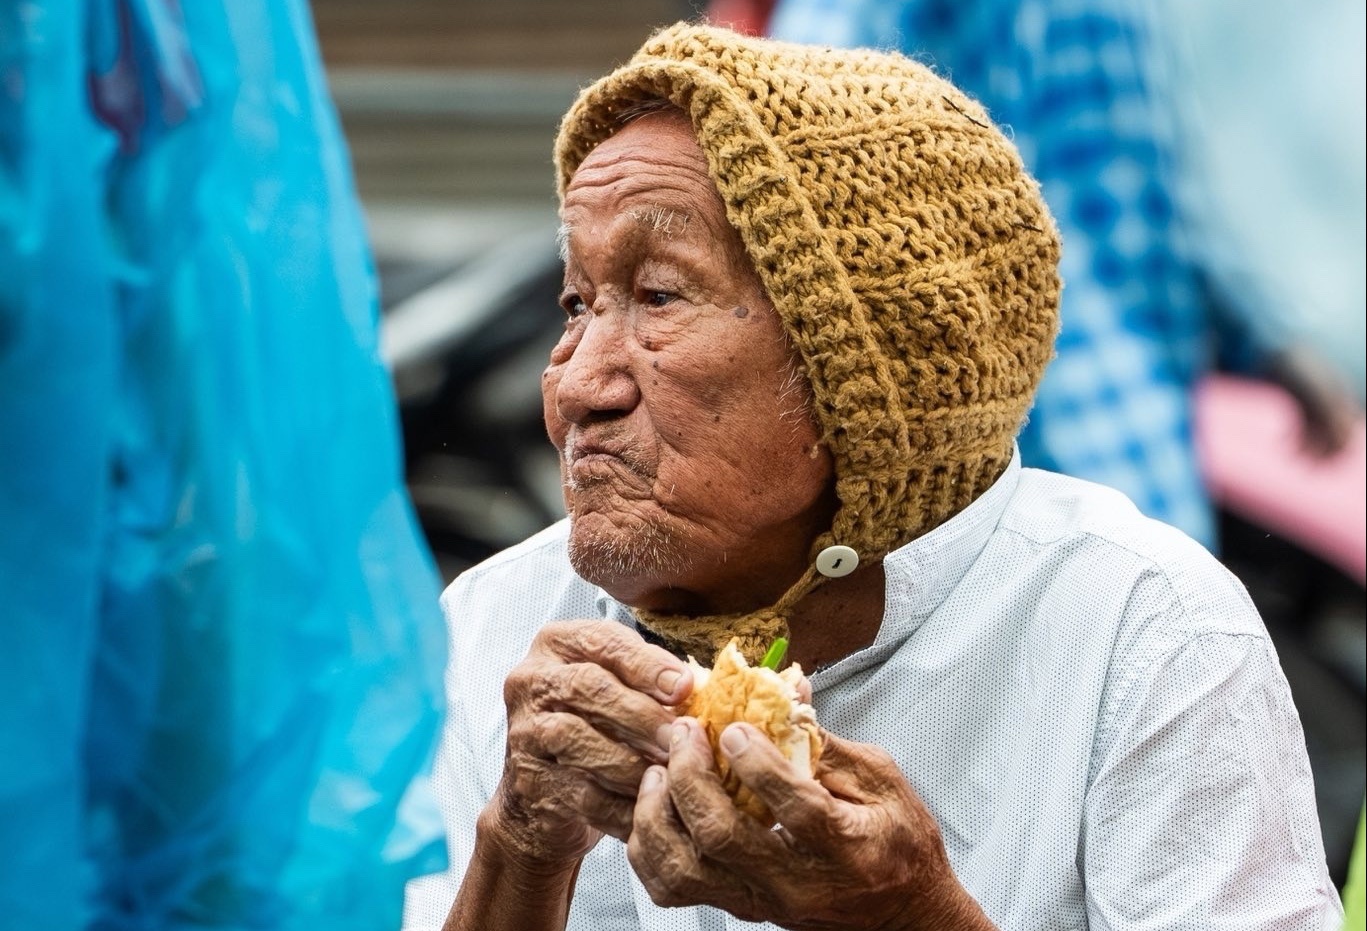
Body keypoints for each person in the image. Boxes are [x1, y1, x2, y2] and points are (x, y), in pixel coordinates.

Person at [401, 22, 1343, 930]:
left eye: (657, 296)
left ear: (872, 374)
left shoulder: (1140, 634)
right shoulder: (492, 627)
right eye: (577, 300)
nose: (574, 383)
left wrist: (908, 917)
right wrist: (519, 848)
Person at [758, 0, 1359, 552]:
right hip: (993, 421)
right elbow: (798, 106)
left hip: (1136, 414)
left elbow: (1149, 191)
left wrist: (1266, 339)